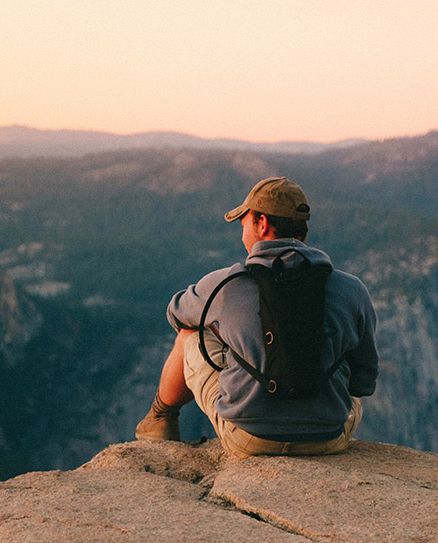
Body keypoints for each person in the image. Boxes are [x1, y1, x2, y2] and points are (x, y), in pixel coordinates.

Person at [134, 176, 378, 458]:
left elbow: (176, 313)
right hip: (326, 440)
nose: (242, 234)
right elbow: (363, 381)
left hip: (249, 440)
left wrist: (236, 336)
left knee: (191, 334)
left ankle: (160, 420)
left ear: (262, 224)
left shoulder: (226, 285)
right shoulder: (352, 289)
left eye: (244, 224)